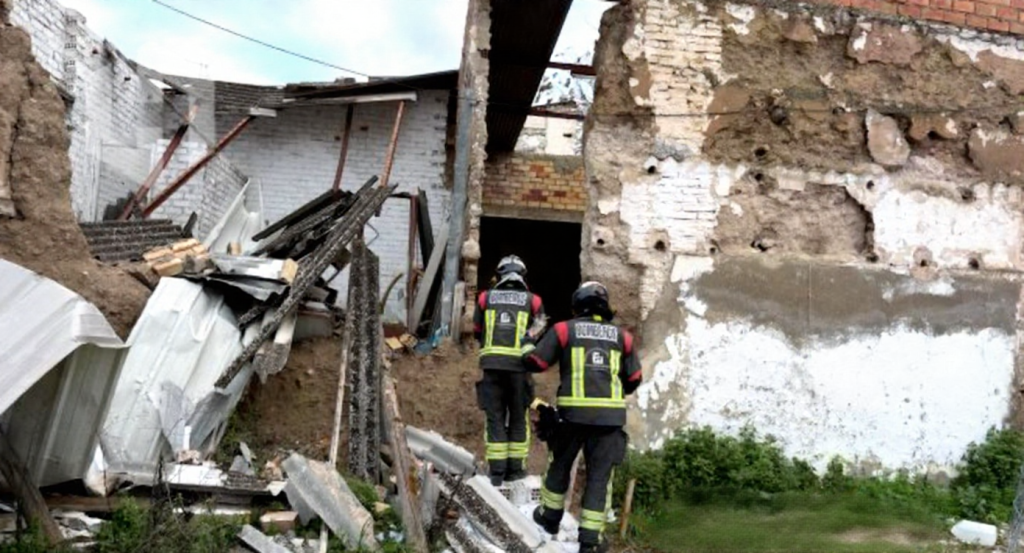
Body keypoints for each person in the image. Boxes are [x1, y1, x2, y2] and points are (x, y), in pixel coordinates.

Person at [521, 281, 642, 553]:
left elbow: (536, 363)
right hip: (609, 422)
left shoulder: (564, 330)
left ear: (577, 305)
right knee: (600, 479)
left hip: (571, 418)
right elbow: (634, 379)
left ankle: (549, 519)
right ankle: (590, 541)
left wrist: (527, 343)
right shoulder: (623, 337)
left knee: (559, 467)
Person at [473, 255, 546, 485]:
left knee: (494, 416)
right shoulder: (534, 301)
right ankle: (515, 470)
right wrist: (527, 341)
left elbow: (476, 328)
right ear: (522, 276)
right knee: (518, 415)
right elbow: (541, 326)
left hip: (491, 366)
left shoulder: (485, 298)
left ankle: (496, 471)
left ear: (500, 274)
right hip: (519, 369)